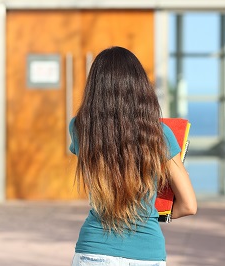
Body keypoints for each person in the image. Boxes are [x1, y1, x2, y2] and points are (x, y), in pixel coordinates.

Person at [69, 46, 197, 266]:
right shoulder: (159, 135)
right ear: (139, 88)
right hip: (146, 253)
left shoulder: (81, 128)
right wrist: (149, 218)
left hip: (93, 251)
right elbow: (189, 205)